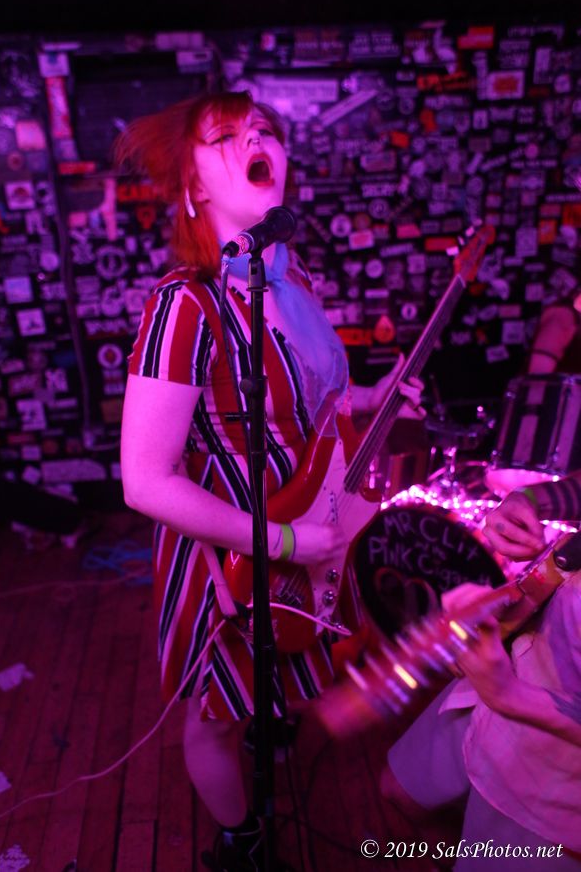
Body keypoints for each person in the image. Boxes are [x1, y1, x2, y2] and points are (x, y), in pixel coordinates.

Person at [115, 90, 424, 871]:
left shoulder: (292, 282)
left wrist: (371, 396)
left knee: (276, 676)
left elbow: (311, 405)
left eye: (264, 130)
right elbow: (144, 482)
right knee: (214, 721)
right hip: (228, 549)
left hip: (309, 522)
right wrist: (284, 541)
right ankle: (243, 842)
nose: (255, 140)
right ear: (192, 187)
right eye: (225, 136)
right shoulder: (184, 307)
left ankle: (269, 718)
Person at [381, 472, 581, 870]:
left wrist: (508, 695)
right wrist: (528, 501)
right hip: (515, 666)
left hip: (556, 774)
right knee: (398, 793)